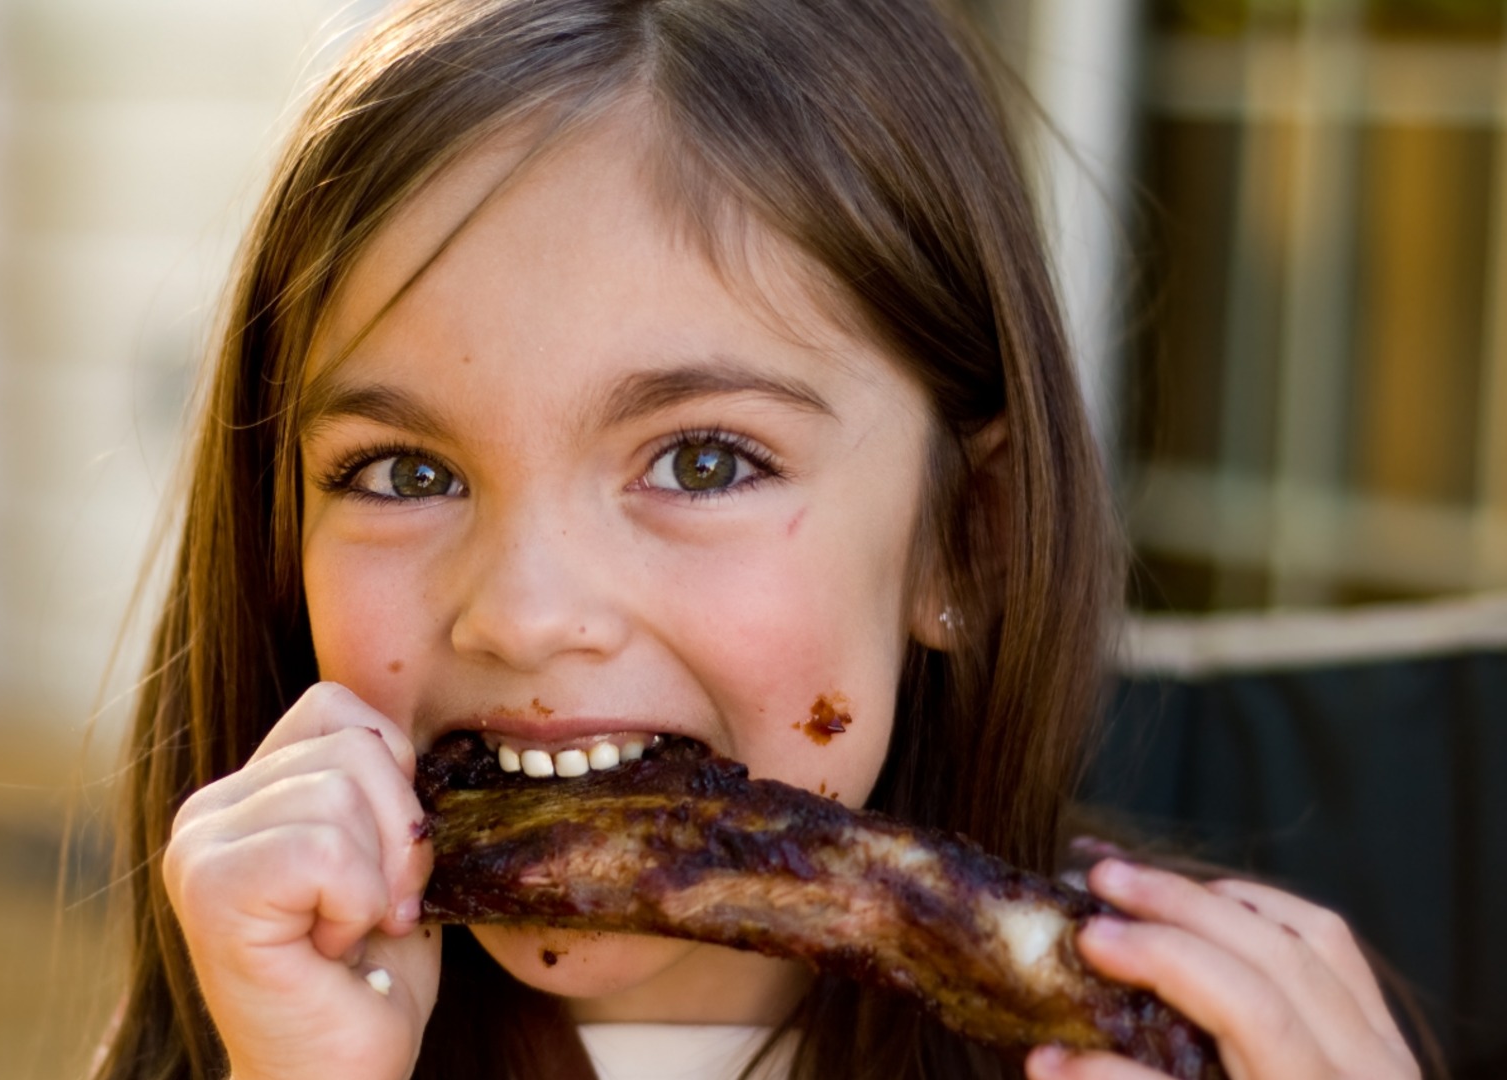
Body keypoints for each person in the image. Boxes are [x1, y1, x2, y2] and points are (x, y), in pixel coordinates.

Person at [94, 1, 1424, 1078]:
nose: (525, 612)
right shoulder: (252, 1043)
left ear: (966, 540)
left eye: (704, 461)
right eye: (405, 471)